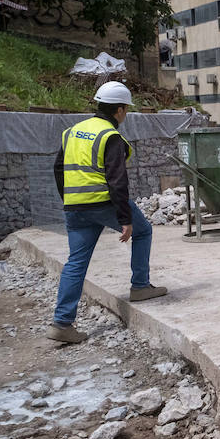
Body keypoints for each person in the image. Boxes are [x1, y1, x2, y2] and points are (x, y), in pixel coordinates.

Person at [47, 81, 166, 344]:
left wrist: (69, 199)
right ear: (121, 110)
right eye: (126, 110)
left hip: (75, 206)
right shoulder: (110, 136)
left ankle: (62, 323)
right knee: (143, 231)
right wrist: (124, 219)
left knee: (76, 261)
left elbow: (58, 169)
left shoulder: (73, 132)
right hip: (103, 203)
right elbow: (117, 180)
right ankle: (140, 286)